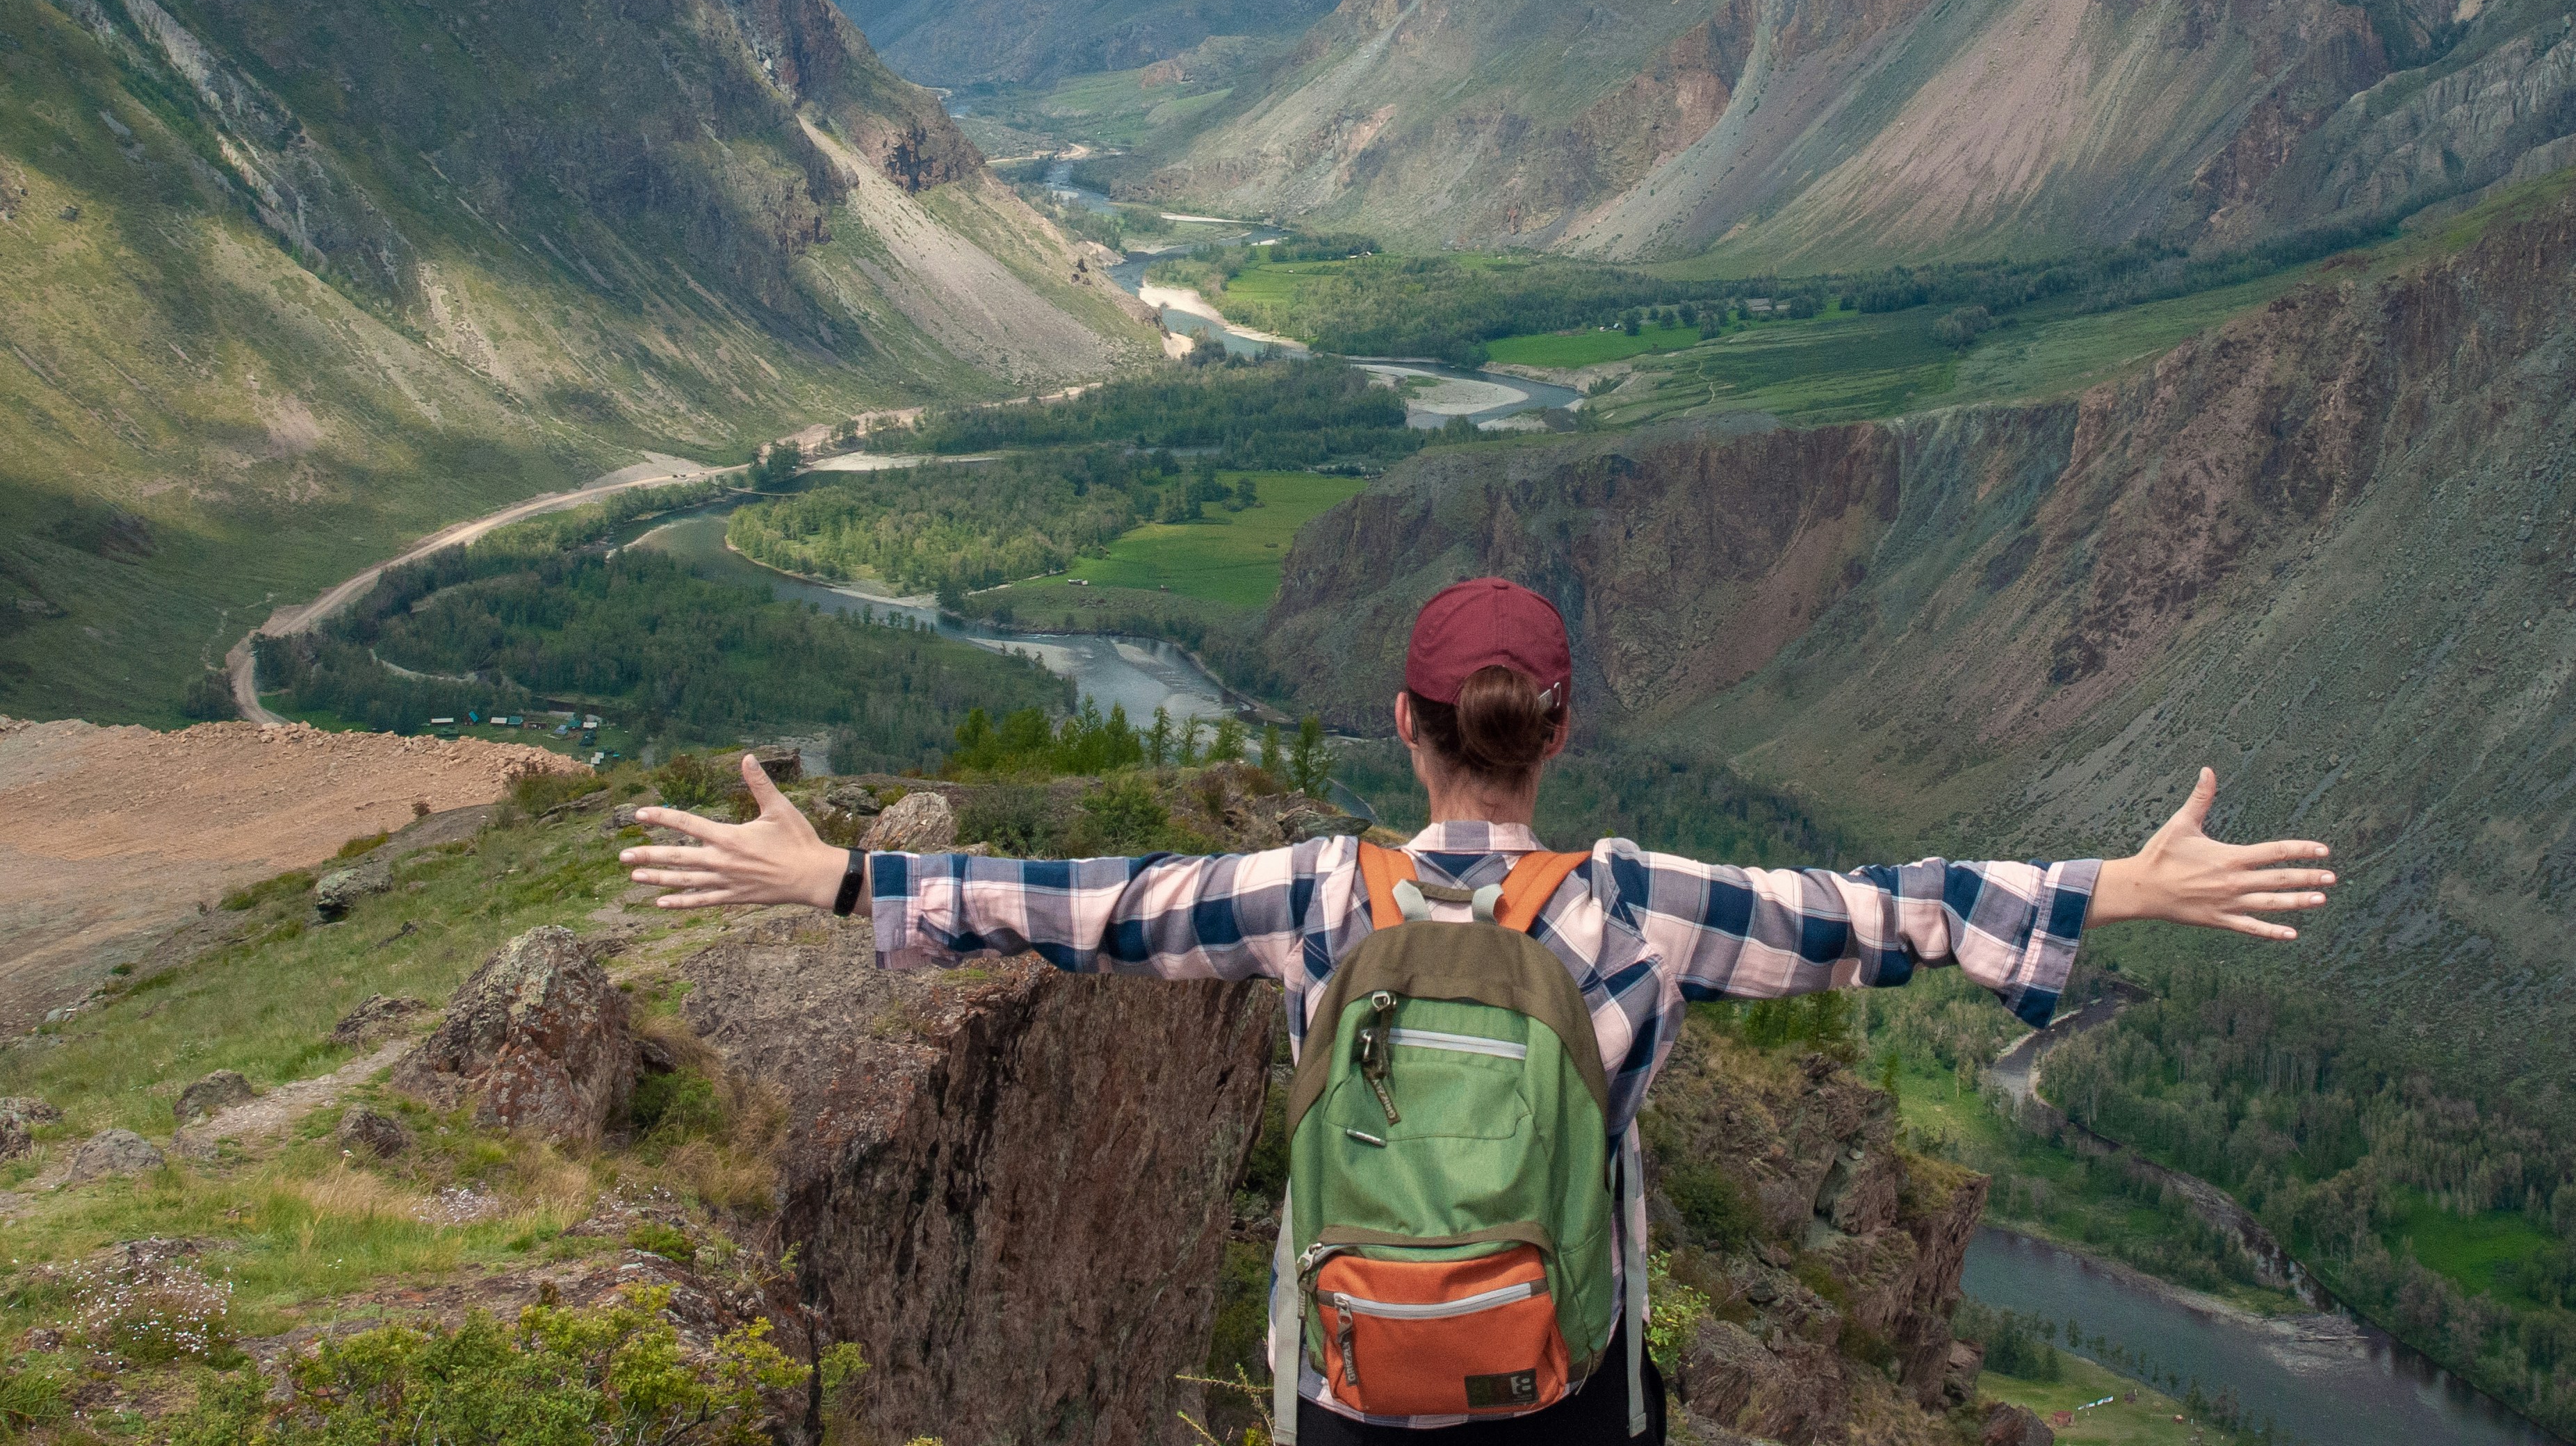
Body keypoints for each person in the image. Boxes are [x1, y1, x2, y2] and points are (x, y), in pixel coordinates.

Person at [622, 577, 2333, 1442]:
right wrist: (2119, 882)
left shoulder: (1310, 894)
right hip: (1564, 1380)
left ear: (1403, 723)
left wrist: (850, 878)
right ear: (1558, 732)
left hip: (1352, 1385)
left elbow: (1095, 913)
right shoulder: (1641, 905)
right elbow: (1883, 917)